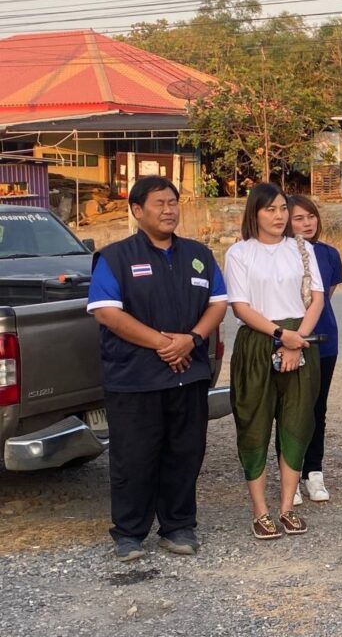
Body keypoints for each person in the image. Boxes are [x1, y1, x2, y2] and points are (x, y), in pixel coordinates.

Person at [87, 176, 228, 562]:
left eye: (173, 203)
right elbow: (107, 313)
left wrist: (192, 340)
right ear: (137, 210)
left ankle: (178, 526)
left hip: (188, 374)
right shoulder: (115, 257)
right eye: (159, 204)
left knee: (185, 452)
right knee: (134, 457)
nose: (169, 210)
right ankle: (129, 533)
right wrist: (166, 344)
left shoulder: (198, 254)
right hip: (135, 379)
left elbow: (218, 303)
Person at [224, 183, 324, 540]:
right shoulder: (240, 253)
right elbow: (240, 306)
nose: (279, 216)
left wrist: (297, 340)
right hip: (258, 340)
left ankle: (286, 508)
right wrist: (282, 336)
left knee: (297, 421)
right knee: (254, 421)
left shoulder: (303, 249)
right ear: (255, 212)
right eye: (270, 209)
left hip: (301, 339)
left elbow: (316, 299)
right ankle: (260, 511)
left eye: (283, 208)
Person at [288, 195, 342, 504]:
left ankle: (314, 472)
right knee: (289, 411)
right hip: (286, 341)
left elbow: (325, 296)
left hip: (323, 342)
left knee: (316, 410)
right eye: (299, 218)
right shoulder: (280, 255)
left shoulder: (329, 254)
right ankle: (290, 476)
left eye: (311, 216)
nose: (307, 223)